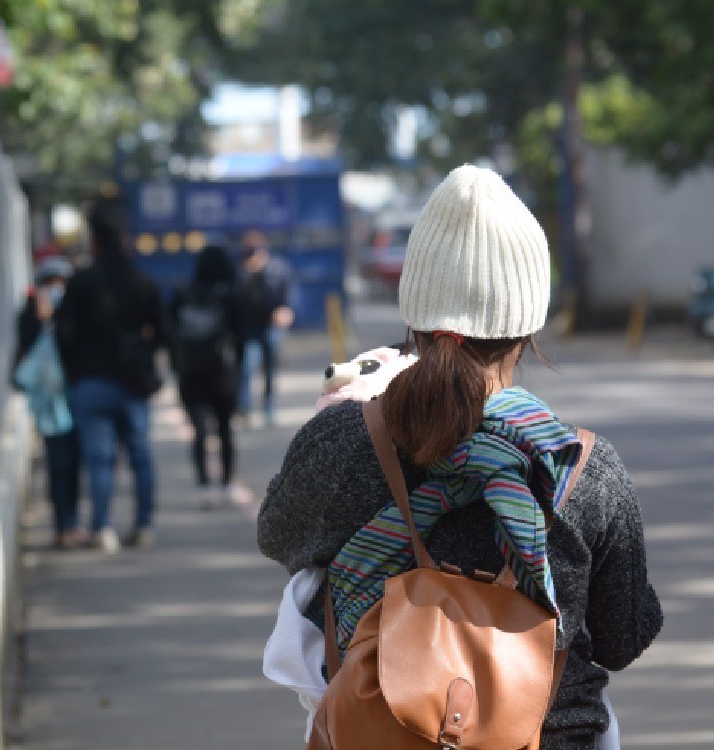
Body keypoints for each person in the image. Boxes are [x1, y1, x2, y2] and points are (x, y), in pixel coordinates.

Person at [257, 165, 662, 748]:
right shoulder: (583, 468)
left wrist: (340, 416)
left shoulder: (347, 440)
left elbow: (278, 536)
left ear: (413, 315)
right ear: (527, 326)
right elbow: (625, 637)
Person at [54, 195, 169, 553]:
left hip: (90, 381)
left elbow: (63, 334)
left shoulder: (81, 282)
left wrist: (73, 371)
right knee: (140, 455)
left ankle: (102, 528)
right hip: (133, 382)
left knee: (99, 458)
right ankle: (144, 524)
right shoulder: (143, 281)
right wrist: (144, 352)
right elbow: (165, 333)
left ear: (94, 241)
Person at [12, 255, 84, 549]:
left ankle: (73, 523)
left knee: (76, 463)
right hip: (50, 404)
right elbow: (26, 353)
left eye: (60, 283)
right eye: (50, 283)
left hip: (75, 396)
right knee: (58, 463)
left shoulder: (77, 314)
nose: (56, 289)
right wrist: (44, 322)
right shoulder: (28, 317)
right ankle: (61, 526)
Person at [169, 244, 246, 508]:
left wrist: (176, 365)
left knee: (199, 431)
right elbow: (241, 335)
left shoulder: (183, 292)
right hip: (222, 373)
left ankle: (204, 486)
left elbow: (170, 333)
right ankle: (225, 483)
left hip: (190, 373)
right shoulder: (229, 294)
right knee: (224, 429)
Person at [236, 229, 296, 427]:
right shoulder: (241, 272)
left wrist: (286, 310)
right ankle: (244, 406)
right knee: (247, 365)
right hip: (251, 327)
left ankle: (269, 407)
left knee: (270, 368)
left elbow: (289, 294)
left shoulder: (277, 269)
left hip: (271, 326)